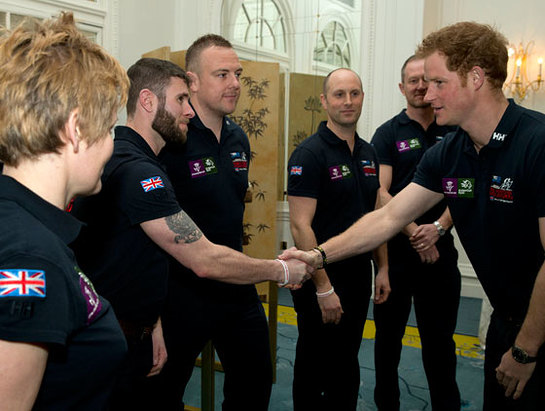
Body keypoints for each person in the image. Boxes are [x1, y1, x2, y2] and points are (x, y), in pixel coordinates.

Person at [282, 22, 545, 411]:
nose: (425, 92)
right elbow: (387, 218)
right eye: (422, 83)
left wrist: (525, 349)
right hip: (510, 322)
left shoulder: (536, 142)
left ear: (475, 78)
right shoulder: (450, 151)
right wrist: (318, 256)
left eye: (438, 82)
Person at [70, 57, 311, 409]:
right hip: (114, 339)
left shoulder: (132, 157)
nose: (189, 111)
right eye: (181, 99)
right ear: (148, 101)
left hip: (133, 326)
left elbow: (130, 259)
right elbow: (203, 259)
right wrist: (283, 269)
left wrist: (151, 323)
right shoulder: (137, 170)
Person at [0, 13, 129, 409]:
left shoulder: (22, 225)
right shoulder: (32, 256)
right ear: (75, 129)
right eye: (109, 129)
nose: (112, 144)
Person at [155, 34, 272, 410]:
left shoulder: (238, 137)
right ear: (191, 82)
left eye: (237, 74)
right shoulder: (173, 140)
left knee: (255, 382)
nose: (235, 83)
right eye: (222, 74)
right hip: (182, 289)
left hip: (235, 282)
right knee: (164, 390)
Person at [287, 68, 390, 410]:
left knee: (346, 362)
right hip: (322, 280)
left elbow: (377, 219)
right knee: (314, 366)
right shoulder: (309, 154)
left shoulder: (369, 152)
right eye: (339, 94)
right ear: (324, 101)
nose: (348, 102)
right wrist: (323, 286)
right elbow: (301, 227)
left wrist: (384, 268)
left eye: (355, 93)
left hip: (358, 278)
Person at [370, 55, 461, 410]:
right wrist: (414, 234)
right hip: (394, 257)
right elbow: (381, 193)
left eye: (427, 79)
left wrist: (438, 229)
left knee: (440, 344)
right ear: (401, 87)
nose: (421, 86)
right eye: (413, 80)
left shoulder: (454, 131)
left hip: (441, 252)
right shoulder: (388, 133)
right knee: (387, 345)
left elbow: (464, 187)